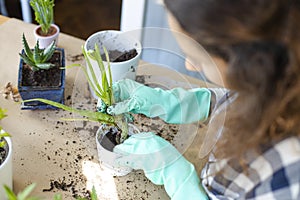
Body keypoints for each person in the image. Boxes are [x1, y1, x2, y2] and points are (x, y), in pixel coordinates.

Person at [102, 0, 300, 199]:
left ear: (245, 63)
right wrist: (166, 102)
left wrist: (175, 175)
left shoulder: (287, 177)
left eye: (199, 59)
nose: (189, 66)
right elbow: (228, 101)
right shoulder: (270, 79)